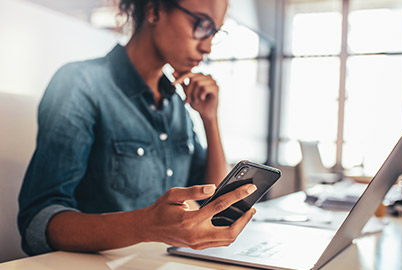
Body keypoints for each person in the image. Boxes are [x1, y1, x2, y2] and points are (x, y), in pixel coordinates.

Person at [17, 0, 257, 256]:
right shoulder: (81, 84)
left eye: (215, 33)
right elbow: (38, 223)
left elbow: (213, 199)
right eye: (201, 25)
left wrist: (210, 119)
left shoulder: (175, 103)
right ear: (154, 10)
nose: (207, 46)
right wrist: (148, 225)